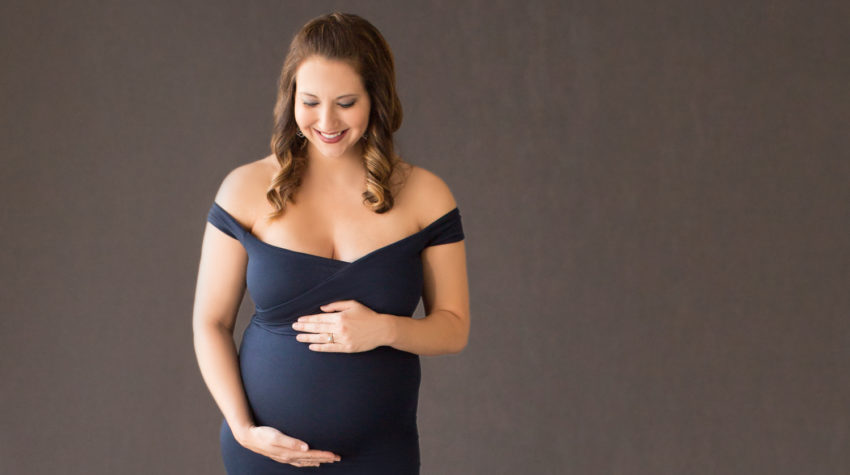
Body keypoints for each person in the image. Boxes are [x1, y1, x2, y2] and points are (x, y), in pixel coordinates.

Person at [192, 12, 470, 474]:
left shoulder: (426, 195)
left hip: (381, 455)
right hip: (267, 451)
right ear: (291, 99)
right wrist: (242, 428)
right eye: (310, 101)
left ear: (375, 100)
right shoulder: (244, 189)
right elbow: (210, 322)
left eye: (345, 102)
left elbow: (454, 326)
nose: (326, 121)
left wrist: (385, 329)